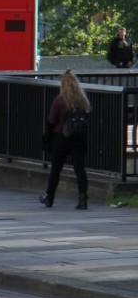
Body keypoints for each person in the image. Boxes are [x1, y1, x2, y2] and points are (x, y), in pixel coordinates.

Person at [40, 69, 90, 210]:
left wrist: (47, 137)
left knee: (56, 169)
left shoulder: (59, 101)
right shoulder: (82, 100)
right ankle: (83, 198)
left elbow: (51, 120)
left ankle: (49, 197)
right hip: (79, 138)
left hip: (61, 137)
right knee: (80, 169)